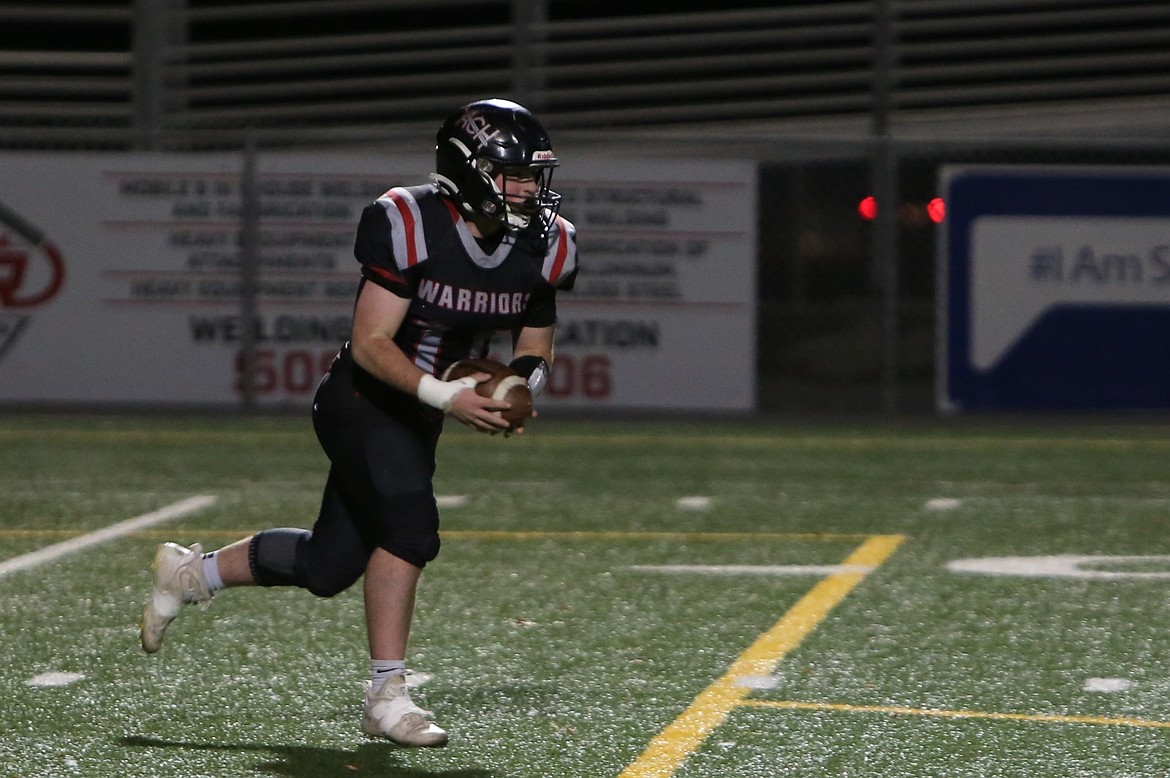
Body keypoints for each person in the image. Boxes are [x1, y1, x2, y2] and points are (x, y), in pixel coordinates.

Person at [139, 98, 578, 748]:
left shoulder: (547, 242)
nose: (525, 191)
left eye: (530, 177)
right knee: (410, 526)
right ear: (467, 170)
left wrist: (520, 385)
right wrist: (445, 394)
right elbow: (373, 343)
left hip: (420, 414)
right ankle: (386, 694)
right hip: (361, 398)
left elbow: (535, 341)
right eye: (510, 175)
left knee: (329, 565)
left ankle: (189, 574)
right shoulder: (409, 220)